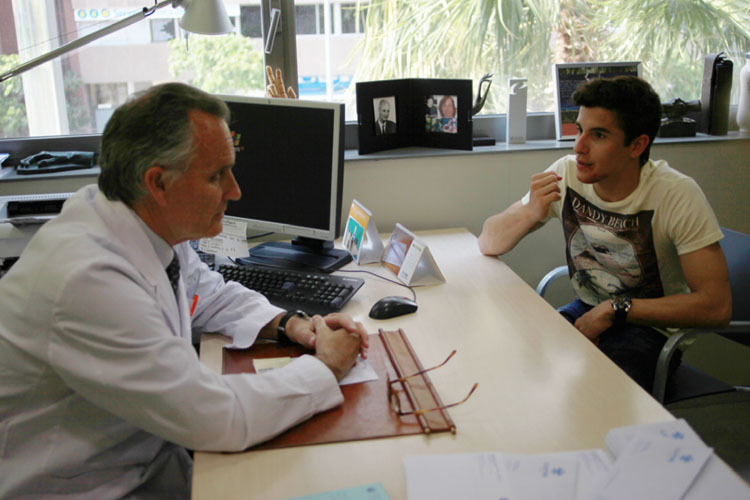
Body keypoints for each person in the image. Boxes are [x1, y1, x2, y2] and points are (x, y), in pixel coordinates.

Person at [0, 82, 367, 498]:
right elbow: (217, 416)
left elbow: (205, 292)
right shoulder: (87, 280)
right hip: (89, 486)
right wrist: (326, 368)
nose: (235, 191)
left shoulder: (137, 218)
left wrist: (289, 324)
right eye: (216, 175)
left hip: (150, 459)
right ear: (157, 182)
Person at [478, 76, 731, 391]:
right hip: (587, 308)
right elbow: (488, 242)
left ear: (637, 145)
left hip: (650, 328)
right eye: (580, 129)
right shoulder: (567, 172)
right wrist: (530, 212)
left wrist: (615, 310)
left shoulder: (676, 194)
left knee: (594, 394)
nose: (579, 146)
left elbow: (717, 306)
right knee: (514, 367)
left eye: (598, 135)